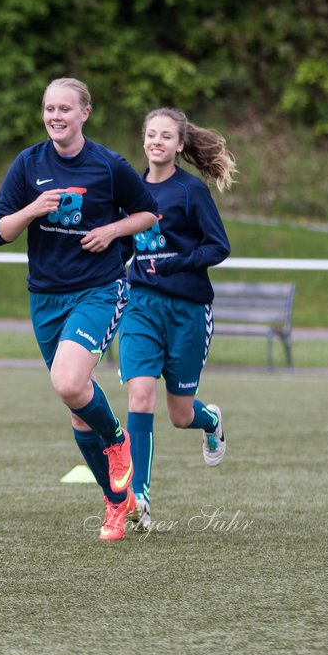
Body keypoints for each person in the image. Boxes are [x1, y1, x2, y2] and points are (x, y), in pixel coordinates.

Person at [0, 78, 159, 542]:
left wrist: (111, 232)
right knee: (78, 408)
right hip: (45, 296)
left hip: (99, 290)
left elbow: (148, 214)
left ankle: (119, 441)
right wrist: (31, 211)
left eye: (65, 108)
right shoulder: (28, 163)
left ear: (85, 113)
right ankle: (118, 503)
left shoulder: (108, 165)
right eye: (48, 108)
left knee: (67, 381)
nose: (55, 116)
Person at [119, 107, 236, 531]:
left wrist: (173, 264)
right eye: (151, 134)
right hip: (140, 306)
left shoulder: (191, 192)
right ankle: (141, 500)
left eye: (166, 136)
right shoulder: (131, 190)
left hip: (187, 310)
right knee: (140, 396)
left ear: (180, 145)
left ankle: (212, 421)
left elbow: (218, 247)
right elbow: (124, 244)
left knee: (180, 415)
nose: (157, 142)